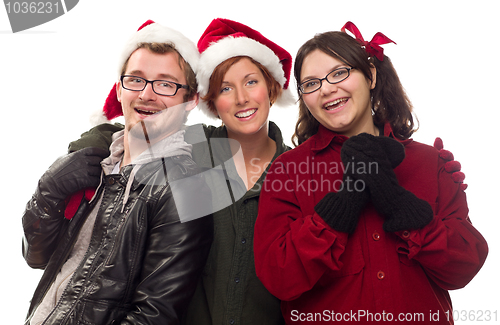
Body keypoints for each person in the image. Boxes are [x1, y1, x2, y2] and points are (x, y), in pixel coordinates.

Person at [253, 22, 488, 325]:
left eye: (339, 73)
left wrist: (400, 204)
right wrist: (340, 208)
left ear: (371, 75)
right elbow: (278, 278)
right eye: (311, 83)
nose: (326, 88)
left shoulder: (431, 162)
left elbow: (464, 267)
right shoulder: (287, 171)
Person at [65, 18, 294, 325]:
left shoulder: (299, 171)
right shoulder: (191, 147)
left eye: (251, 82)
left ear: (273, 89)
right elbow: (135, 128)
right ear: (211, 102)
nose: (241, 98)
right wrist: (87, 150)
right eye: (225, 88)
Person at [22, 20, 213, 325]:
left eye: (165, 84)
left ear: (190, 100)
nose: (147, 95)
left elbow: (155, 316)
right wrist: (47, 192)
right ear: (120, 89)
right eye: (136, 79)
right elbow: (37, 257)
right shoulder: (95, 167)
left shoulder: (185, 186)